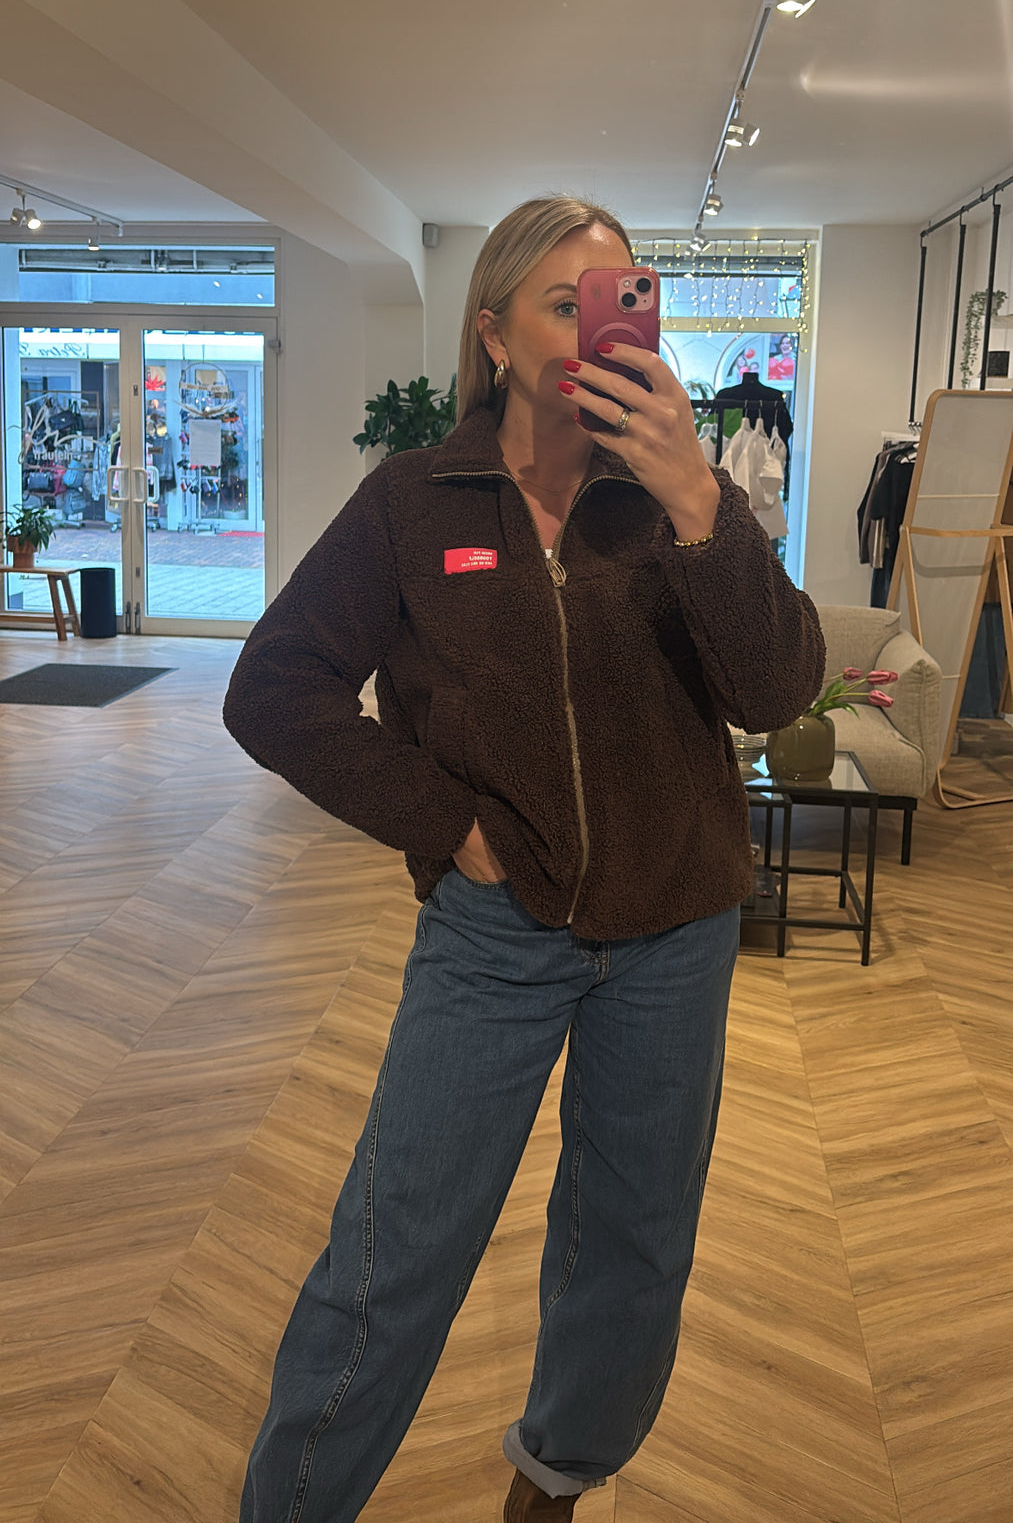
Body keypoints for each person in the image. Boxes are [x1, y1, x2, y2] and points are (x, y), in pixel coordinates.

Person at [223, 194, 825, 1523]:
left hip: (676, 928)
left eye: (626, 302)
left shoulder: (676, 497)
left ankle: (555, 1478)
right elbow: (274, 689)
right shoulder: (411, 500)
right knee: (391, 1255)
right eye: (571, 304)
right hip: (496, 937)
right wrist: (446, 822)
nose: (608, 329)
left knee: (634, 1245)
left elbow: (779, 690)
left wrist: (694, 497)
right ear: (494, 336)